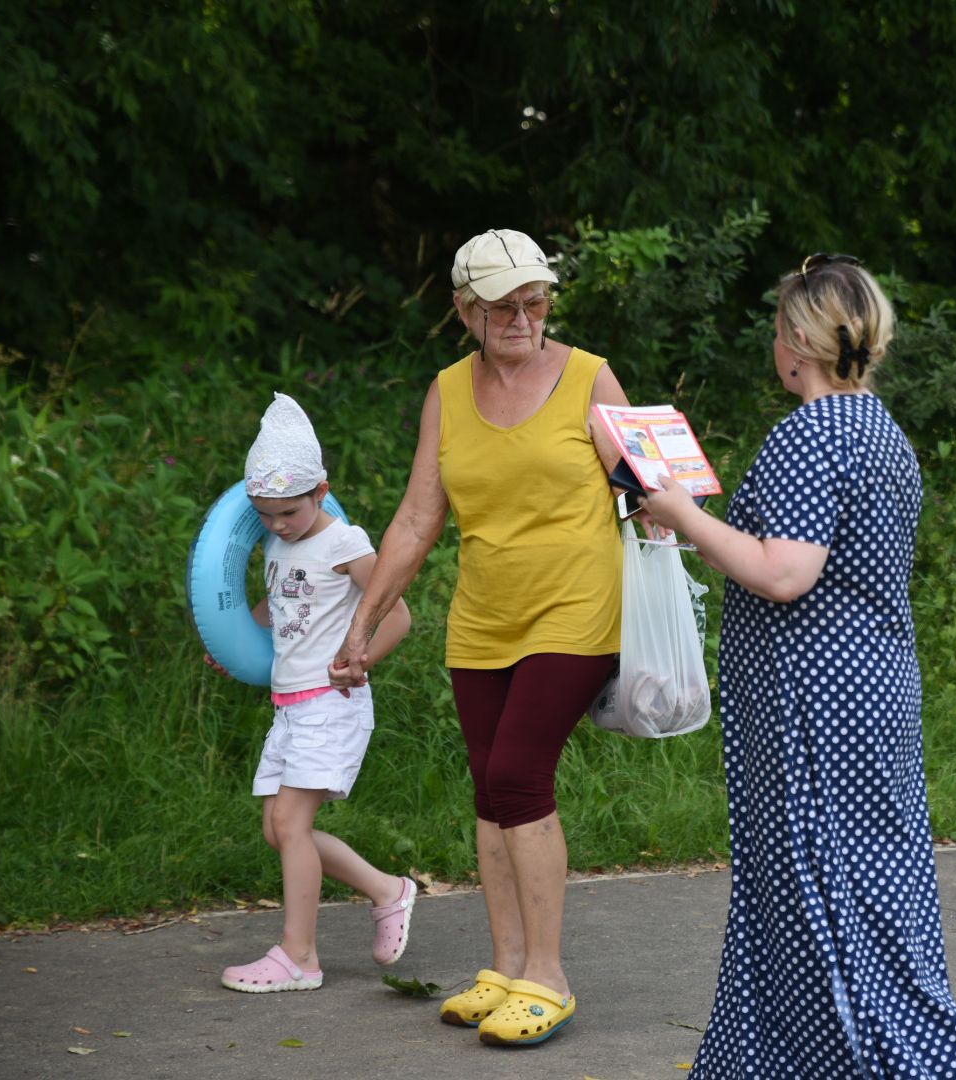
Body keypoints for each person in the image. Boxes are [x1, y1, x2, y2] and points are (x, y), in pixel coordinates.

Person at [640, 255, 956, 1078]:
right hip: (869, 692)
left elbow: (784, 573)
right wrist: (690, 528)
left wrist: (682, 512)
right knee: (864, 889)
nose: (774, 343)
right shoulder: (879, 430)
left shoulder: (813, 433)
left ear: (797, 342)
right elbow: (796, 560)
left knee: (823, 895)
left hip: (814, 706)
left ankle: (901, 1066)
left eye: (776, 329)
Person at [327, 228, 628, 1047]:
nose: (524, 318)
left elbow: (650, 486)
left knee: (519, 775)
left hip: (576, 609)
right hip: (484, 620)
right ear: (465, 311)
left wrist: (674, 503)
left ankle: (550, 978)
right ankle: (505, 968)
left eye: (535, 302)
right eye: (503, 307)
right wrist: (362, 625)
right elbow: (420, 515)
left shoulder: (591, 379)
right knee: (490, 793)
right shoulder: (448, 392)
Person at [204, 392, 415, 994]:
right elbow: (281, 602)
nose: (276, 525)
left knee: (292, 823)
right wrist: (236, 637)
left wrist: (361, 657)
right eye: (265, 514)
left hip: (332, 702)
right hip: (289, 706)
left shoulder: (345, 543)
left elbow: (396, 614)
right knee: (278, 829)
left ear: (321, 492)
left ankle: (299, 955)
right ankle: (387, 890)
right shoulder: (279, 542)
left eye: (289, 513)